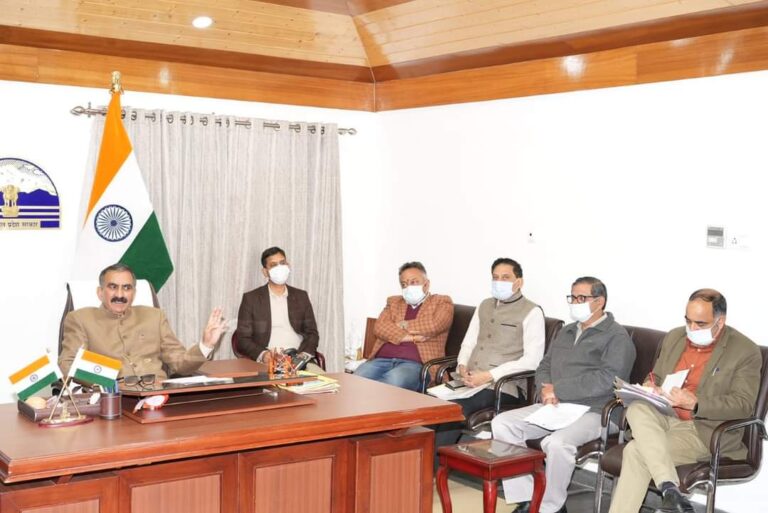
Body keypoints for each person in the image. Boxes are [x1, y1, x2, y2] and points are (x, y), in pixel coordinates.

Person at [608, 289, 761, 513]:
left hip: (701, 429)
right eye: (688, 321)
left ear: (720, 322)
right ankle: (670, 489)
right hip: (662, 415)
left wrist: (696, 403)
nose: (692, 328)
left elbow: (743, 404)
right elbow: (656, 376)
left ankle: (668, 488)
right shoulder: (675, 337)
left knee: (635, 452)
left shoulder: (745, 351)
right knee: (637, 407)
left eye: (700, 323)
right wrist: (650, 387)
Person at [492, 276, 636, 513]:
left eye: (582, 298)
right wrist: (545, 390)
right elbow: (544, 366)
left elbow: (609, 379)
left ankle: (550, 507)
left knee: (557, 444)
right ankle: (528, 498)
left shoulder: (617, 337)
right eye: (573, 297)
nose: (575, 303)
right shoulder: (567, 331)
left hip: (596, 411)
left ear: (599, 302)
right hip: (555, 405)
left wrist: (559, 389)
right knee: (502, 424)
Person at [434, 257, 545, 448]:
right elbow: (469, 341)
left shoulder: (532, 312)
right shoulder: (484, 305)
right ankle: (415, 461)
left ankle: (432, 465)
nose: (499, 282)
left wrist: (489, 375)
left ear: (519, 282)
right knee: (429, 406)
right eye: (495, 277)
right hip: (468, 381)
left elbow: (532, 361)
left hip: (503, 387)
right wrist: (462, 365)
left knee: (453, 411)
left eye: (505, 277)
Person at [60, 263, 226, 379]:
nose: (120, 295)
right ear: (100, 292)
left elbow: (180, 363)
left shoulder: (154, 316)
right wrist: (112, 375)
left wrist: (206, 345)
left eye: (127, 288)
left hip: (158, 395)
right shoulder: (80, 319)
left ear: (133, 293)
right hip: (112, 399)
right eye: (113, 287)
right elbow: (68, 364)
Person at [355, 261, 453, 391]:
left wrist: (401, 324)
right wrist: (411, 338)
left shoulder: (441, 301)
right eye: (404, 284)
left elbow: (434, 325)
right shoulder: (393, 302)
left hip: (416, 364)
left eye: (414, 282)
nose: (408, 287)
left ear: (426, 284)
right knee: (356, 378)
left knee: (393, 382)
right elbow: (379, 327)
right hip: (382, 360)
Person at [235, 246, 323, 373]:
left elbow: (312, 333)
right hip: (270, 363)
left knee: (327, 383)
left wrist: (304, 355)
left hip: (300, 359)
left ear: (288, 265)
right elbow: (242, 339)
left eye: (282, 263)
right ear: (265, 272)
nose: (280, 268)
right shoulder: (251, 299)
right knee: (279, 385)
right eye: (273, 265)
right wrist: (263, 355)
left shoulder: (301, 296)